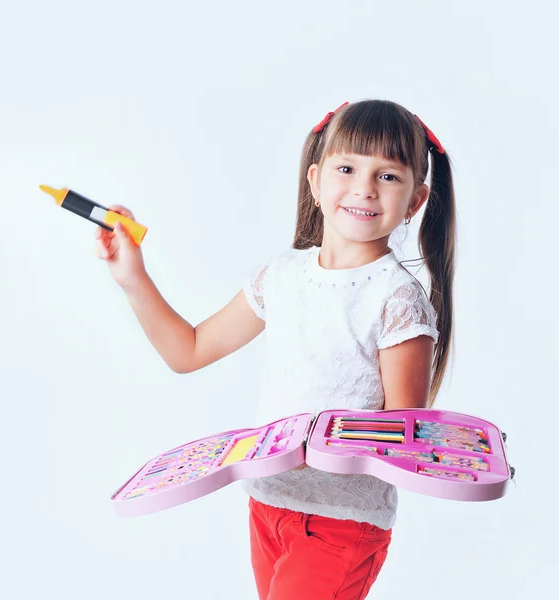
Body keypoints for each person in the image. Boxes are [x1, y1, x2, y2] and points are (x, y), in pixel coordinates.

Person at [94, 99, 456, 600]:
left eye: (388, 176)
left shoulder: (395, 299)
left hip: (341, 523)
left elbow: (401, 437)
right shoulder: (281, 277)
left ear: (415, 201)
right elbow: (189, 351)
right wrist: (131, 275)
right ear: (315, 180)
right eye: (347, 167)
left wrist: (315, 442)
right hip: (267, 503)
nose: (364, 188)